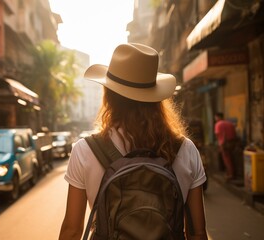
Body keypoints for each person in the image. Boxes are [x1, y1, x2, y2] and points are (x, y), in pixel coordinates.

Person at [59, 43, 208, 239]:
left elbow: (72, 231)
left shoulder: (84, 150)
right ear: (156, 99)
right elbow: (197, 233)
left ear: (108, 97)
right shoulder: (186, 149)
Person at [214, 112, 237, 180]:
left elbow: (218, 135)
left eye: (215, 117)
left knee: (227, 159)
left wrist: (220, 145)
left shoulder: (218, 124)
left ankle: (230, 174)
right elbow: (234, 133)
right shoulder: (229, 123)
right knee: (232, 158)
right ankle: (232, 173)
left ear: (218, 117)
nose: (215, 119)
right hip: (233, 143)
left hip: (224, 143)